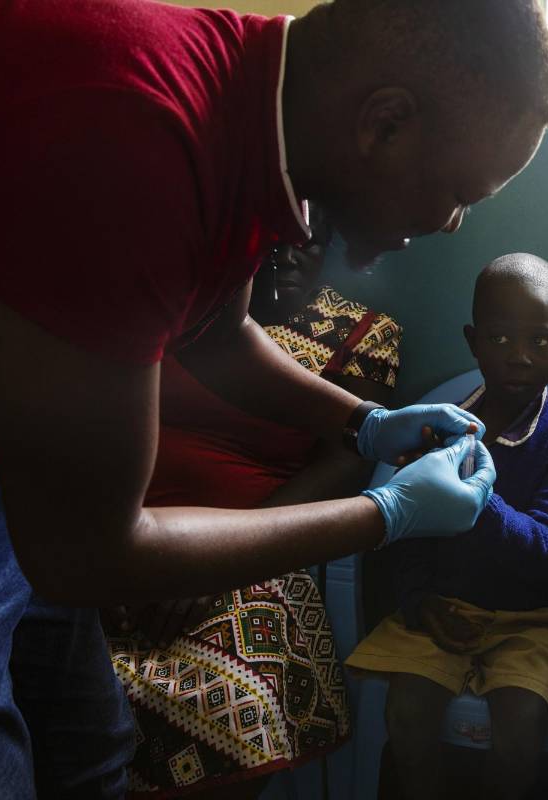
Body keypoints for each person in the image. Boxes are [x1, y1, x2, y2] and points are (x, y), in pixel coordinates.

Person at [0, 0, 548, 796]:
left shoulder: (251, 114)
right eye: (459, 192)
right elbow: (85, 555)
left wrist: (366, 424)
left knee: (85, 741)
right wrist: (385, 516)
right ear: (385, 125)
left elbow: (215, 334)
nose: (453, 224)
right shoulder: (133, 142)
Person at [109, 225, 402, 799]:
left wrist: (222, 559)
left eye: (308, 242)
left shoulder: (364, 332)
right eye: (270, 240)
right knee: (62, 684)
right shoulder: (182, 314)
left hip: (256, 549)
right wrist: (112, 548)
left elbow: (346, 463)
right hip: (123, 531)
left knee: (223, 702)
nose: (287, 254)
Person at [345, 254, 548, 800]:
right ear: (473, 341)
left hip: (531, 618)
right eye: (500, 339)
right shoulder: (443, 425)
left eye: (540, 341)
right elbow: (406, 534)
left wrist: (472, 503)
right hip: (443, 607)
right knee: (407, 716)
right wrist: (417, 601)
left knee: (521, 727)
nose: (521, 357)